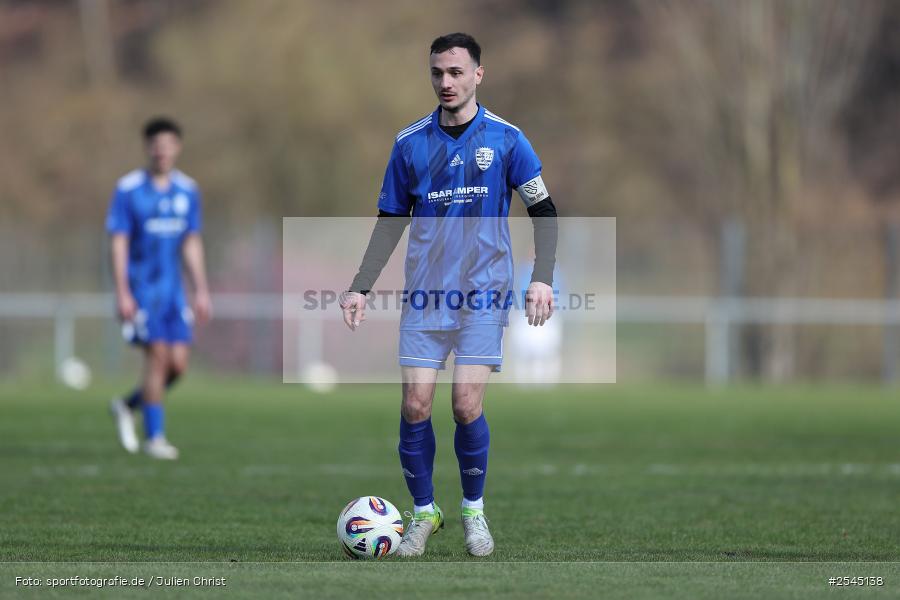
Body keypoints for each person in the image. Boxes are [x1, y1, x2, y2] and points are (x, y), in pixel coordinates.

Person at [340, 33, 558, 557]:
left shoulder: (507, 139)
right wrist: (360, 286)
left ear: (478, 74)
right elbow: (391, 220)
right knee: (416, 404)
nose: (446, 82)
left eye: (456, 72)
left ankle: (473, 513)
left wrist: (542, 276)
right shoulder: (409, 144)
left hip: (484, 293)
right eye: (438, 72)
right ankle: (423, 514)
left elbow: (544, 210)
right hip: (425, 298)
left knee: (464, 405)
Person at [106, 117, 211, 460]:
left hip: (174, 293)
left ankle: (128, 404)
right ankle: (155, 438)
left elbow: (191, 242)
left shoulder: (188, 190)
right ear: (147, 147)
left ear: (177, 147)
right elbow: (119, 242)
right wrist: (122, 291)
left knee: (178, 365)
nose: (161, 150)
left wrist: (201, 290)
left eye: (168, 143)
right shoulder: (129, 189)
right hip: (142, 291)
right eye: (155, 143)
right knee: (158, 357)